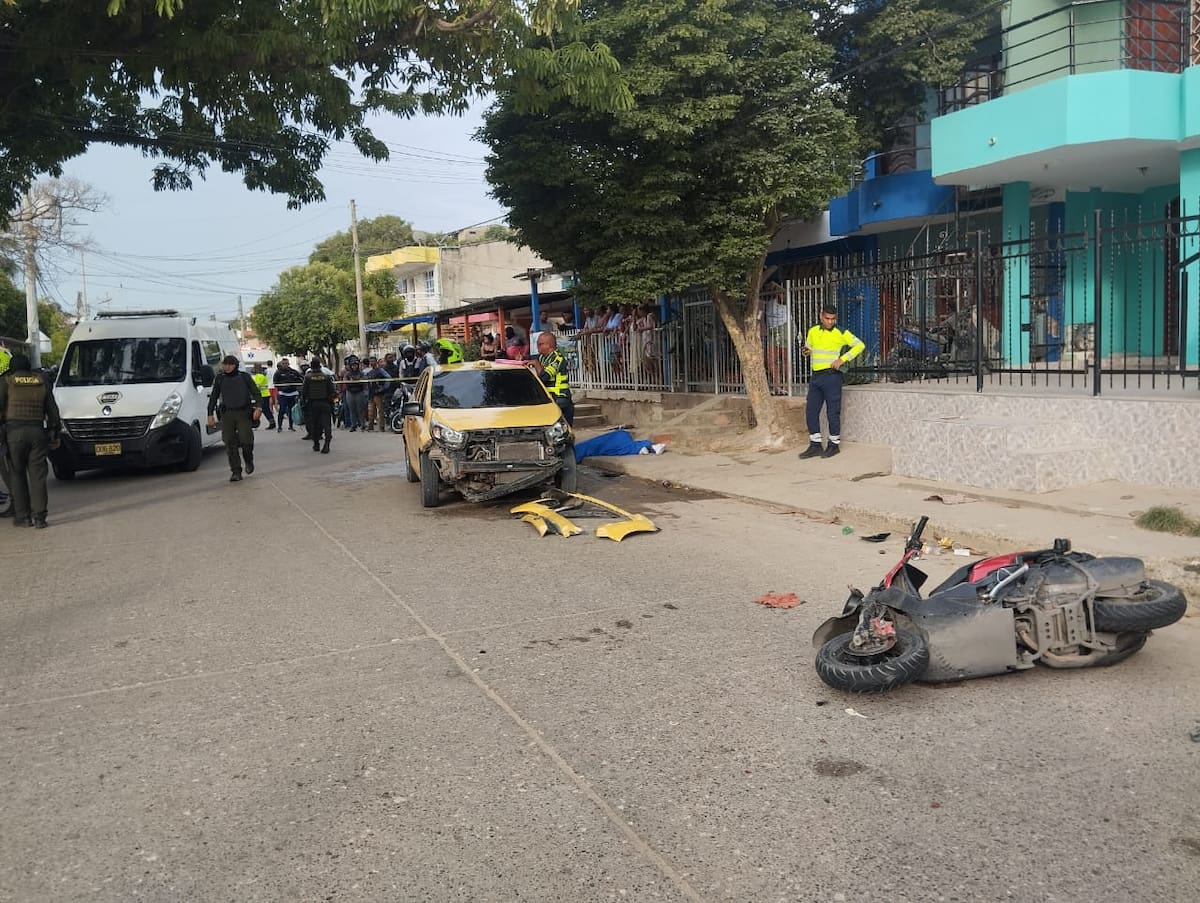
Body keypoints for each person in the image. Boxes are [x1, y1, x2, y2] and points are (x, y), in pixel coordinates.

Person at [0, 354, 62, 527]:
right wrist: (54, 434)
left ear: (12, 368)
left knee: (17, 474)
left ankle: (23, 517)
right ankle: (40, 517)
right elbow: (53, 413)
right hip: (37, 433)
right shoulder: (41, 381)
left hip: (14, 435)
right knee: (38, 476)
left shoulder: (7, 382)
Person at [798, 303, 865, 459]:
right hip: (816, 376)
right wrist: (806, 351)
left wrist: (843, 359)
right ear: (821, 316)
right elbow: (809, 347)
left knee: (832, 412)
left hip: (832, 376)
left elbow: (859, 345)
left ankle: (834, 445)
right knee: (811, 411)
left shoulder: (841, 332)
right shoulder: (813, 331)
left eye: (833, 319)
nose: (830, 322)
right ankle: (815, 445)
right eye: (827, 318)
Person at [206, 355, 261, 481]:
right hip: (227, 414)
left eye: (230, 364)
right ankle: (236, 471)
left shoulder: (244, 377)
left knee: (246, 440)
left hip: (243, 413)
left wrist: (258, 407)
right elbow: (214, 397)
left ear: (235, 365)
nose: (227, 367)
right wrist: (210, 414)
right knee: (229, 442)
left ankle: (248, 460)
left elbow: (256, 392)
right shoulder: (220, 379)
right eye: (225, 364)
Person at [531, 331, 574, 426]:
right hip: (551, 398)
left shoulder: (557, 358)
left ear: (549, 345)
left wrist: (536, 364)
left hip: (560, 398)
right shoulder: (542, 357)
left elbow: (544, 377)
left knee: (562, 429)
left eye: (540, 344)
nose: (537, 346)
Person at [301, 357, 336, 453]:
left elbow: (304, 392)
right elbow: (332, 391)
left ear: (311, 367)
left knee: (314, 425)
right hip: (325, 403)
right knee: (327, 425)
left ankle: (316, 444)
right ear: (320, 366)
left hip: (313, 404)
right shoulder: (326, 377)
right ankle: (327, 445)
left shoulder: (308, 377)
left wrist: (303, 403)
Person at [762, 279, 788, 394]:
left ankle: (787, 385)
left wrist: (776, 285)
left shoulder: (780, 297)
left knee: (784, 358)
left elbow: (787, 294)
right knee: (770, 359)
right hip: (772, 330)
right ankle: (777, 385)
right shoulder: (766, 300)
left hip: (783, 327)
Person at [272, 357, 303, 431]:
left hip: (293, 394)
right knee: (282, 410)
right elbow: (275, 383)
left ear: (289, 364)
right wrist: (283, 388)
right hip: (283, 394)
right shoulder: (278, 373)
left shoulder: (294, 372)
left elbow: (301, 379)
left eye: (286, 363)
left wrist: (297, 385)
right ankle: (279, 427)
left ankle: (291, 426)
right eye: (283, 363)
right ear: (281, 364)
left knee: (291, 410)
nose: (285, 365)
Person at [342, 356, 368, 431]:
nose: (354, 367)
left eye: (355, 365)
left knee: (361, 409)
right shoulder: (347, 374)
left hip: (359, 392)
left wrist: (355, 380)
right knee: (352, 409)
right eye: (353, 365)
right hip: (350, 392)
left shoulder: (361, 373)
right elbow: (345, 382)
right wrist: (354, 381)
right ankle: (353, 425)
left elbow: (364, 381)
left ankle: (362, 424)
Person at [251, 364, 276, 429]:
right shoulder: (259, 376)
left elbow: (256, 385)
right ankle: (271, 422)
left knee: (263, 410)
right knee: (264, 409)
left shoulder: (260, 376)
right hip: (263, 395)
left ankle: (271, 423)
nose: (253, 369)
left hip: (263, 395)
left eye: (254, 368)